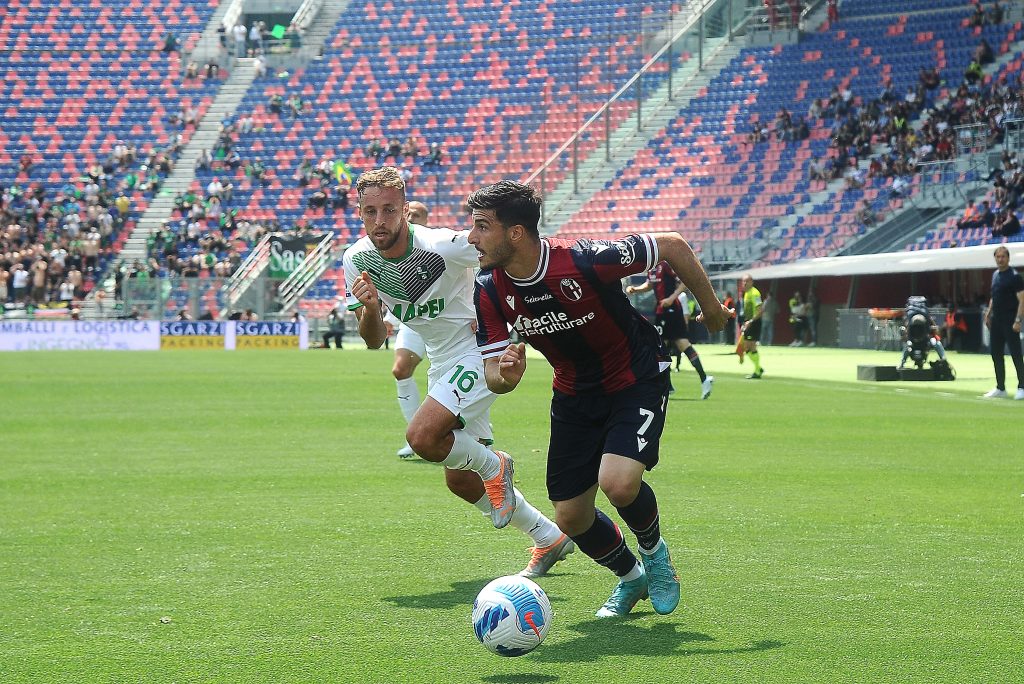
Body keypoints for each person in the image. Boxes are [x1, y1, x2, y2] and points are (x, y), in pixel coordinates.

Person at [468, 180, 732, 618]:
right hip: (573, 393)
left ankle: (656, 555)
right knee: (570, 517)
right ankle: (632, 578)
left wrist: (714, 311)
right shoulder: (489, 289)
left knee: (618, 482)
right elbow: (496, 376)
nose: (472, 238)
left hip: (636, 377)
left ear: (515, 233)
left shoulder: (584, 259)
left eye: (481, 227)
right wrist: (505, 377)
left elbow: (671, 244)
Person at [344, 167, 573, 577]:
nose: (380, 221)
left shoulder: (442, 246)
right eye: (370, 211)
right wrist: (372, 308)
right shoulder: (356, 260)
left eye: (389, 210)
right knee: (459, 481)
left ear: (404, 210)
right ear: (359, 212)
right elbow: (374, 339)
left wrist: (504, 313)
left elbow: (511, 255)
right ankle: (548, 537)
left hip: (480, 349)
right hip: (442, 360)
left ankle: (495, 465)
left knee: (421, 437)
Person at [626, 262, 713, 399]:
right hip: (662, 310)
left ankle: (669, 385)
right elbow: (650, 285)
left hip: (671, 310)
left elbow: (684, 281)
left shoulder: (665, 265)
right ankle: (700, 379)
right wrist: (636, 289)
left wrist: (672, 298)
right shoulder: (651, 268)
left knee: (663, 346)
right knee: (670, 345)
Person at [391, 200, 432, 458]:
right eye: (409, 214)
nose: (412, 217)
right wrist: (389, 318)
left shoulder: (435, 245)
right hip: (413, 323)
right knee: (400, 370)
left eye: (417, 215)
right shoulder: (392, 248)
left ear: (426, 219)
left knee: (447, 377)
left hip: (445, 323)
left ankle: (476, 428)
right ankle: (415, 436)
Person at [982, 246, 1024, 399]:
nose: (1000, 260)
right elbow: (994, 296)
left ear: (1008, 258)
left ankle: (1022, 386)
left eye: (1003, 257)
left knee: (1016, 354)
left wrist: (1018, 320)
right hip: (997, 321)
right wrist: (988, 313)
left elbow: (1022, 300)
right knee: (996, 354)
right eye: (998, 257)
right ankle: (1001, 388)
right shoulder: (995, 275)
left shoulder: (1014, 276)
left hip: (1010, 320)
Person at [739, 274, 765, 379]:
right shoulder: (746, 293)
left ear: (751, 282)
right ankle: (758, 368)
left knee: (751, 346)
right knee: (746, 347)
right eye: (743, 281)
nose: (744, 283)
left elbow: (760, 310)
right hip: (748, 322)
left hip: (754, 323)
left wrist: (750, 321)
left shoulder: (755, 293)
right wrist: (745, 323)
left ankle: (757, 371)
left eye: (747, 281)